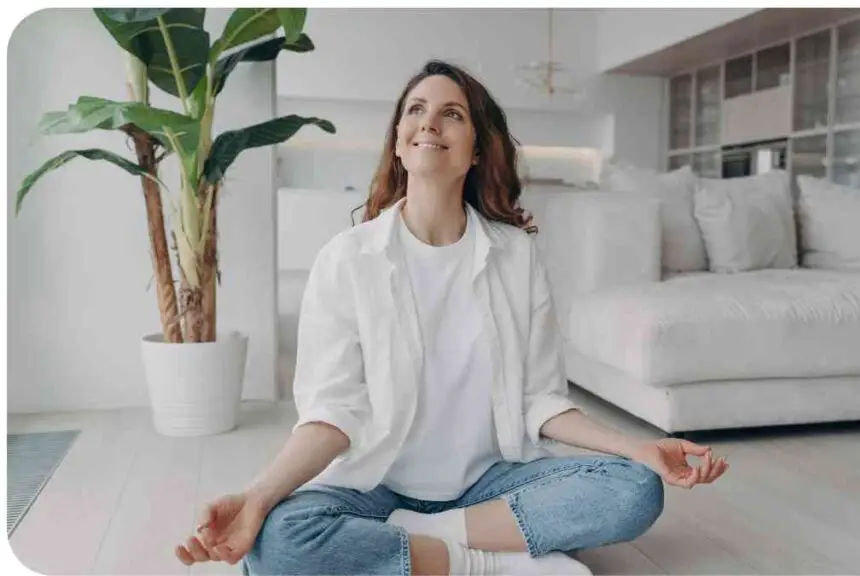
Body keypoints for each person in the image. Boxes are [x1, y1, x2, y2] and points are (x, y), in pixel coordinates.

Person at [173, 59, 728, 576]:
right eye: (415, 110)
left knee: (635, 489)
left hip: (490, 480)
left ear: (478, 150)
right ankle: (493, 561)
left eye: (452, 113)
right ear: (397, 142)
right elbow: (331, 412)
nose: (429, 123)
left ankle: (420, 540)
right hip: (375, 484)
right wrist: (257, 497)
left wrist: (640, 448)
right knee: (278, 542)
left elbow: (541, 400)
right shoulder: (348, 258)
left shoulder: (517, 255)